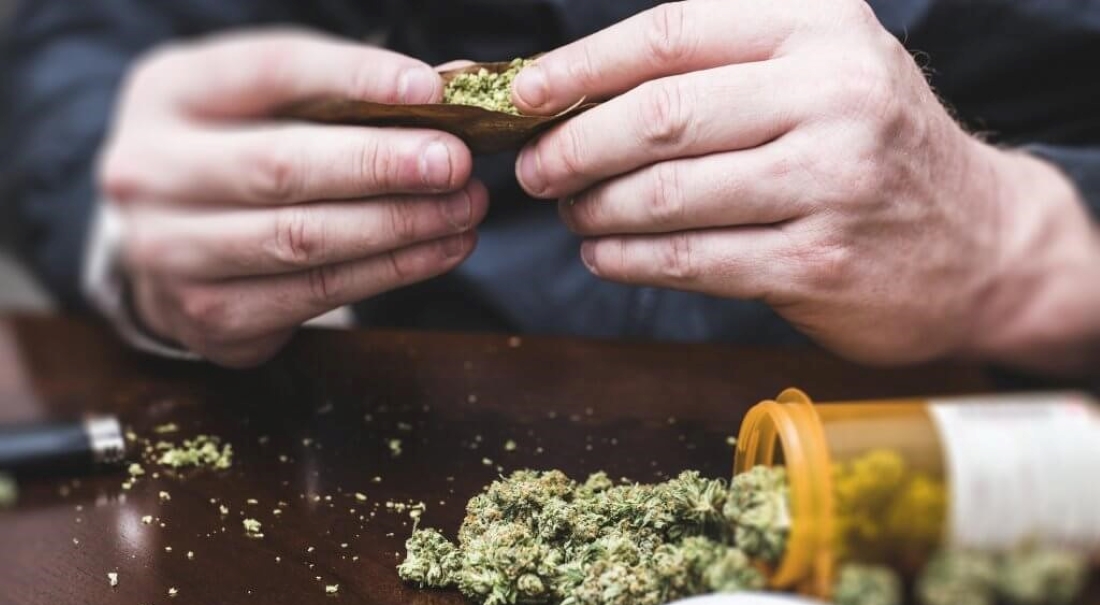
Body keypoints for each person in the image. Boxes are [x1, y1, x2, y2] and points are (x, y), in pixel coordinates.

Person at [2, 0, 1098, 377]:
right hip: (448, 433)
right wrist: (140, 223)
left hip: (1023, 466)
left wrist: (1024, 247)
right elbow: (101, 44)